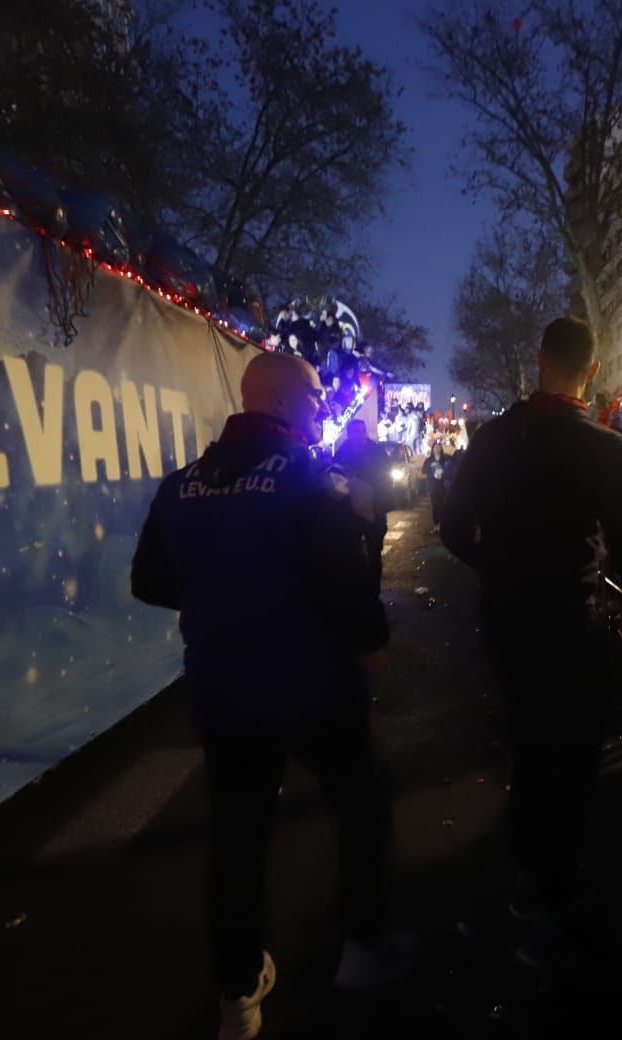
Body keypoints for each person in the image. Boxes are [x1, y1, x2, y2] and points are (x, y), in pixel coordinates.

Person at [129, 352, 405, 1040]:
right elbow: (346, 585)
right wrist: (371, 636)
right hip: (314, 687)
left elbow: (151, 583)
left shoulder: (179, 486)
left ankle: (238, 994)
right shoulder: (314, 479)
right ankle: (365, 950)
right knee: (362, 804)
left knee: (238, 836)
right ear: (280, 401)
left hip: (224, 692)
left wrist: (223, 593)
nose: (321, 408)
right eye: (313, 396)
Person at [440, 316, 622, 940]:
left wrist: (498, 567)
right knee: (575, 747)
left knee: (531, 737)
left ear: (539, 361)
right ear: (592, 370)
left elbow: (454, 529)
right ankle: (558, 877)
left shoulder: (492, 440)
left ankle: (534, 874)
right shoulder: (605, 448)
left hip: (509, 615)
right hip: (573, 617)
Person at [332, 420, 393, 593]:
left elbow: (384, 475)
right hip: (350, 510)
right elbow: (335, 472)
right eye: (353, 432)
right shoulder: (344, 450)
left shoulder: (376, 451)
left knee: (374, 551)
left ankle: (373, 590)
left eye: (359, 432)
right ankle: (357, 589)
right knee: (351, 550)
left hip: (374, 508)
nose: (357, 436)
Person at [423, 442, 449, 533]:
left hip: (443, 486)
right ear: (432, 449)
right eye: (435, 447)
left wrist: (443, 474)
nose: (437, 449)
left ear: (441, 449)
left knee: (443, 505)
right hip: (433, 486)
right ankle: (436, 524)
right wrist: (431, 468)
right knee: (435, 506)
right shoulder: (429, 460)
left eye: (438, 447)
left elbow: (449, 470)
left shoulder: (445, 459)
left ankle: (443, 524)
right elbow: (424, 470)